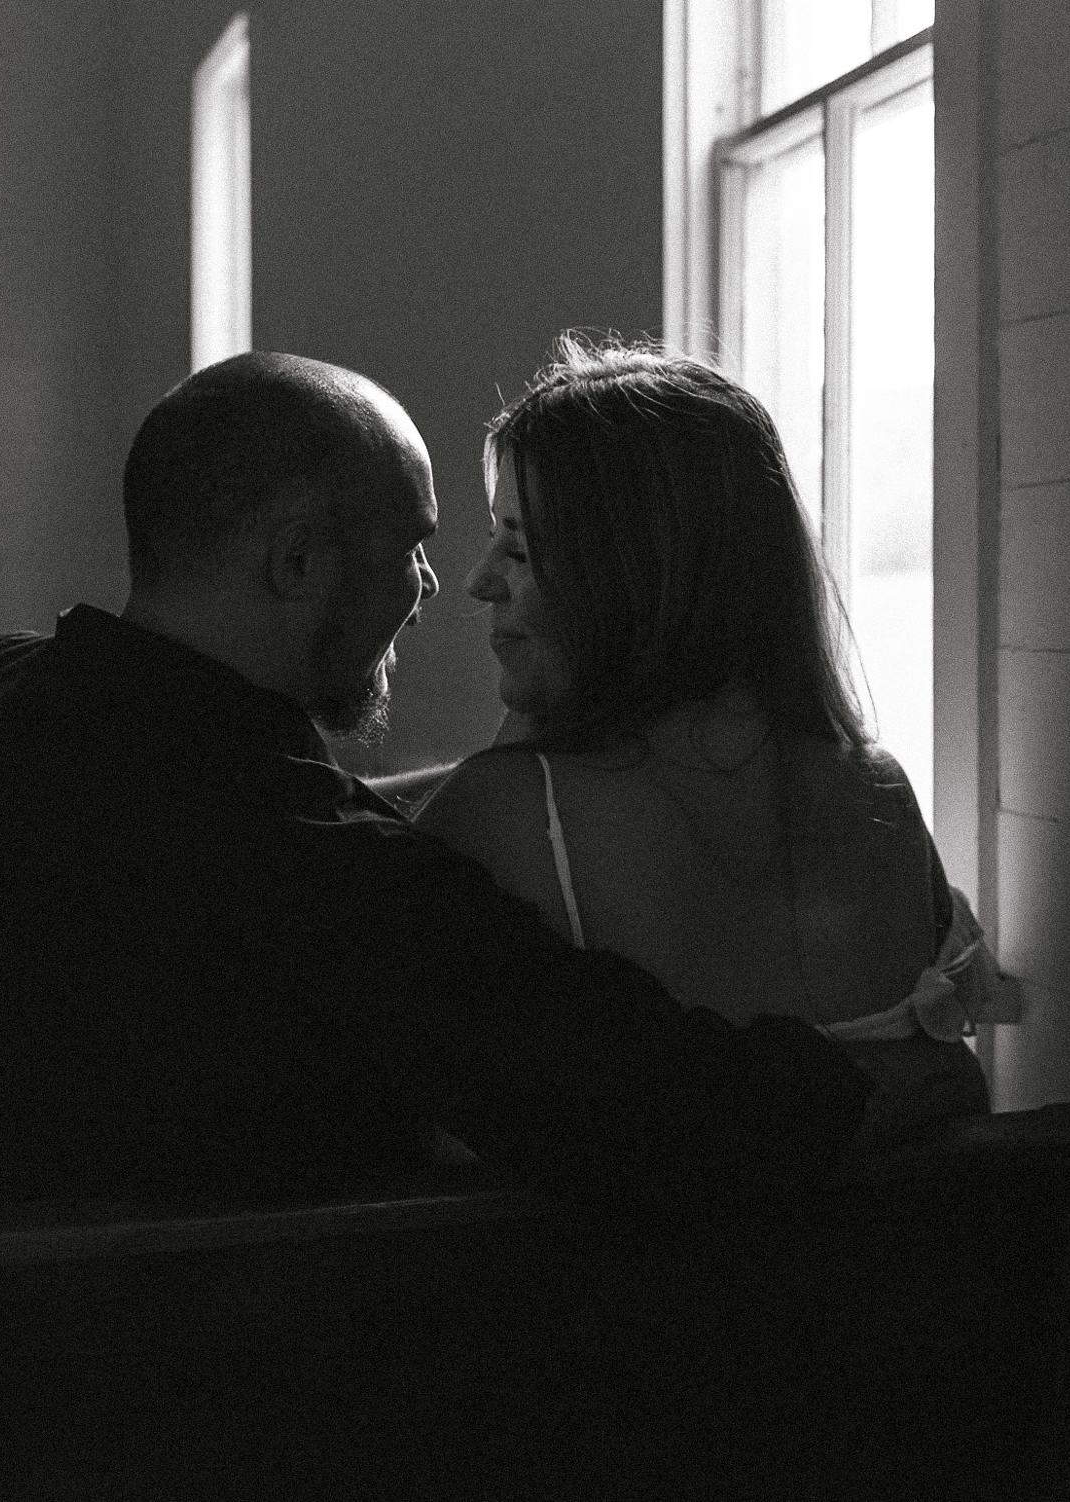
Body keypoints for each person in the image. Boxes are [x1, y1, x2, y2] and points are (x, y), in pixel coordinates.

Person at [0, 351, 870, 1219]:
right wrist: (895, 1071)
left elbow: (190, 805)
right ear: (298, 562)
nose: (438, 585)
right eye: (412, 546)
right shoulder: (326, 884)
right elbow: (665, 1109)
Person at [407, 338, 996, 1151]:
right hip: (901, 1276)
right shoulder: (879, 792)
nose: (478, 580)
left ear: (628, 570)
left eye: (519, 544)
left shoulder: (512, 813)